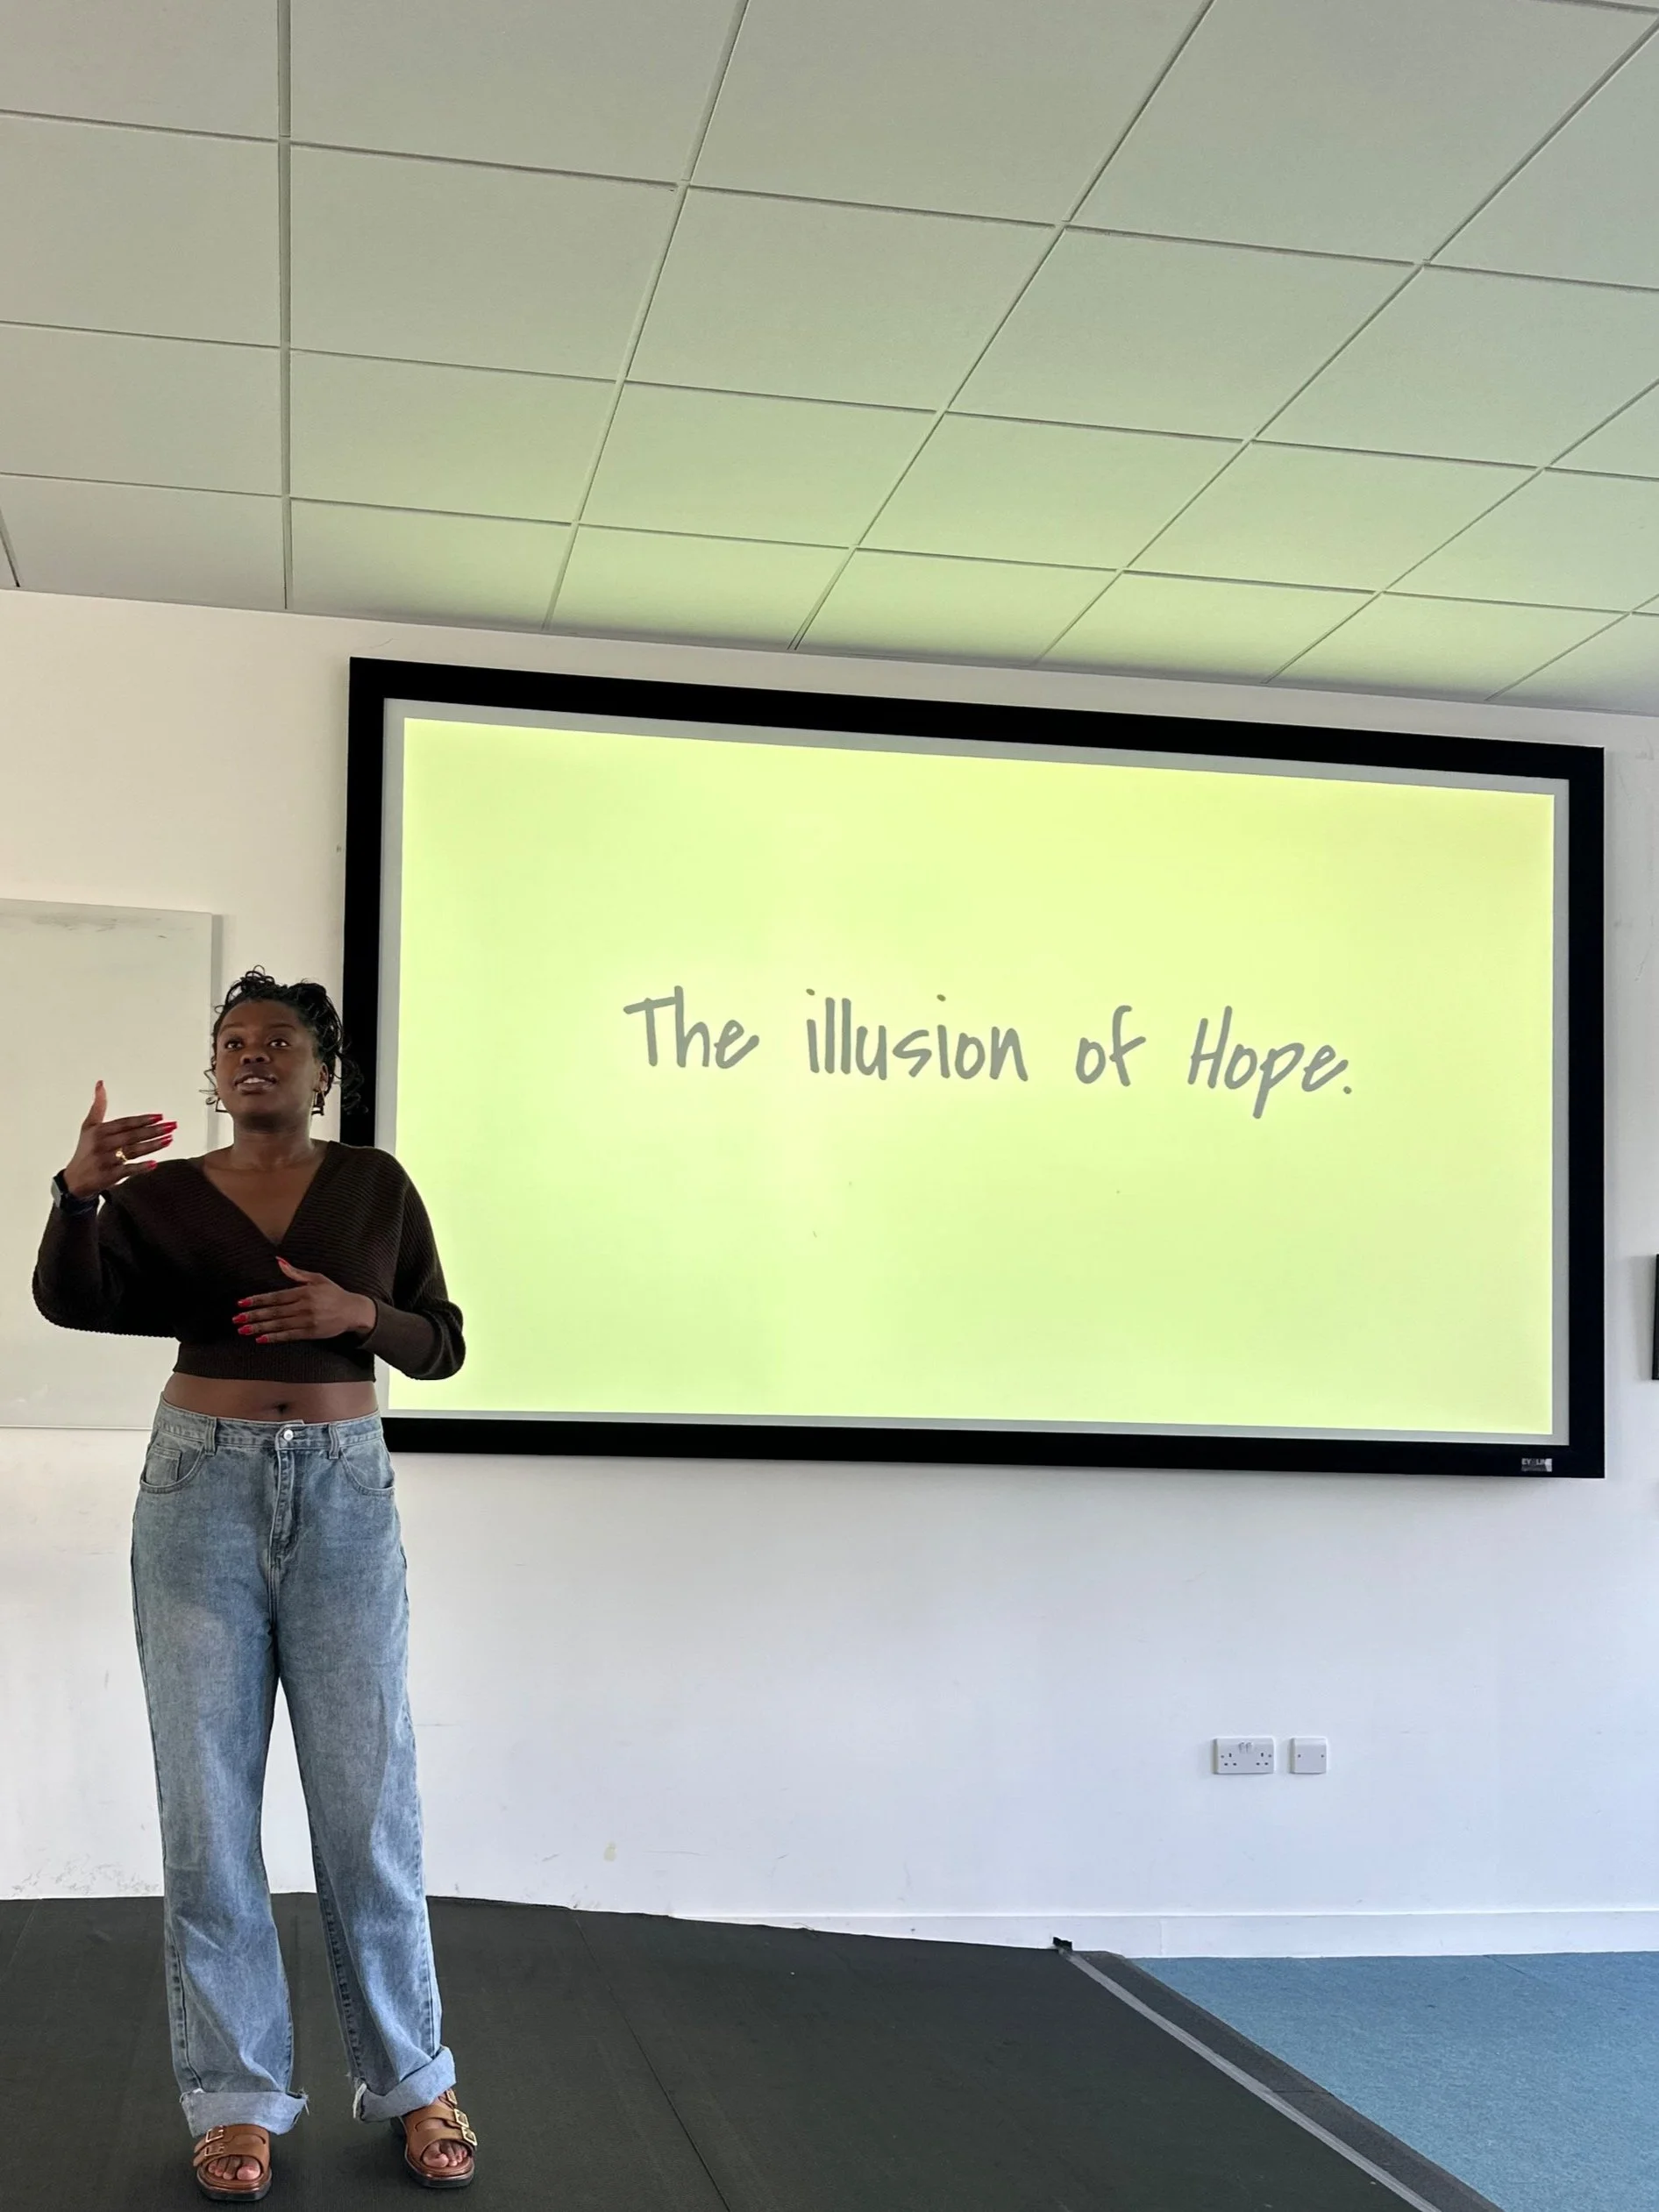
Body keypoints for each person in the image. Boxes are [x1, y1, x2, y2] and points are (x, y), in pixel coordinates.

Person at [33, 970, 478, 2201]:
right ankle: (234, 2098)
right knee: (208, 1813)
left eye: (280, 1041)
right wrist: (77, 1195)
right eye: (233, 1042)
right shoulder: (167, 1193)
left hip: (341, 1495)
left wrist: (356, 1310)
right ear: (212, 1070)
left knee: (368, 1807)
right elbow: (75, 1299)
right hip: (200, 1496)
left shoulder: (375, 1185)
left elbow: (440, 1340)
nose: (253, 1057)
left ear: (323, 1068)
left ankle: (415, 2079)